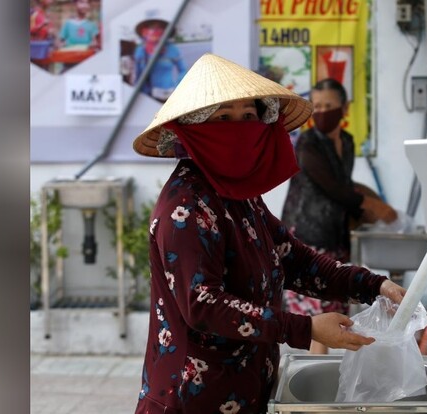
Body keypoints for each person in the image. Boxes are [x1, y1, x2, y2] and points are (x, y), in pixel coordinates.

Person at [130, 54, 407, 414]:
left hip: (247, 390)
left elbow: (296, 261)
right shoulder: (186, 205)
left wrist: (373, 286)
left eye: (248, 116)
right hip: (191, 399)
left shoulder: (239, 194)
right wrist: (304, 328)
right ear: (192, 129)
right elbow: (203, 304)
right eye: (223, 118)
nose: (239, 127)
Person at [280, 79, 398, 354]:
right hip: (307, 235)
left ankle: (322, 379)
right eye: (317, 106)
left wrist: (365, 208)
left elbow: (344, 187)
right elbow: (334, 187)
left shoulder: (346, 141)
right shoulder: (308, 144)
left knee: (336, 311)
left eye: (329, 106)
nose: (321, 112)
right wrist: (370, 204)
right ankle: (316, 383)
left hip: (336, 235)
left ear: (344, 108)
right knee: (318, 320)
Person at [133, 18, 186, 102]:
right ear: (145, 31)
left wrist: (176, 87)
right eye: (151, 28)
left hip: (168, 95)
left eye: (159, 28)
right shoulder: (140, 50)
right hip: (146, 96)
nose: (154, 32)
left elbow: (183, 71)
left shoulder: (172, 49)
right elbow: (137, 74)